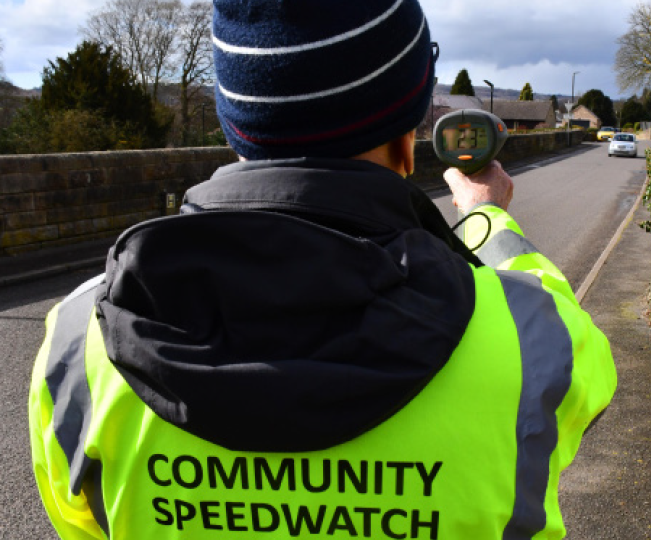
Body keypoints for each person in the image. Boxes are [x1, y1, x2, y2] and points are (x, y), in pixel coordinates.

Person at [29, 0, 616, 538]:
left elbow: (83, 523)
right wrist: (489, 224)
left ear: (237, 127)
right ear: (409, 142)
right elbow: (579, 365)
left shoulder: (78, 339)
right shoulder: (534, 339)